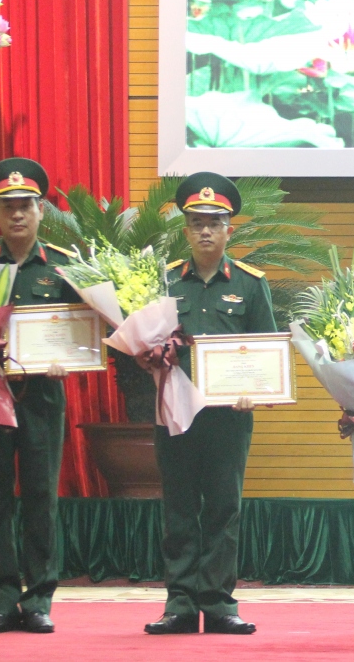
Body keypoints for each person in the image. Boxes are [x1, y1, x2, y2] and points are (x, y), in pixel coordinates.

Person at [144, 172, 276, 635]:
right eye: (196, 222)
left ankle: (219, 603)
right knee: (178, 506)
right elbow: (141, 347)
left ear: (228, 230)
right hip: (175, 412)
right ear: (185, 230)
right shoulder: (161, 284)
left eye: (214, 222)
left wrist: (255, 391)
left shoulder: (251, 284)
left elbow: (266, 350)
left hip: (227, 417)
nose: (204, 230)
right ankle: (179, 603)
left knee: (223, 507)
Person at [0, 158, 80, 634]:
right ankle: (2, 598)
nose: (17, 215)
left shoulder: (62, 265)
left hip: (42, 397)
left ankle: (39, 599)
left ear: (41, 211)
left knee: (40, 496)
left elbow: (86, 332)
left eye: (26, 206)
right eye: (8, 207)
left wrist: (69, 359)